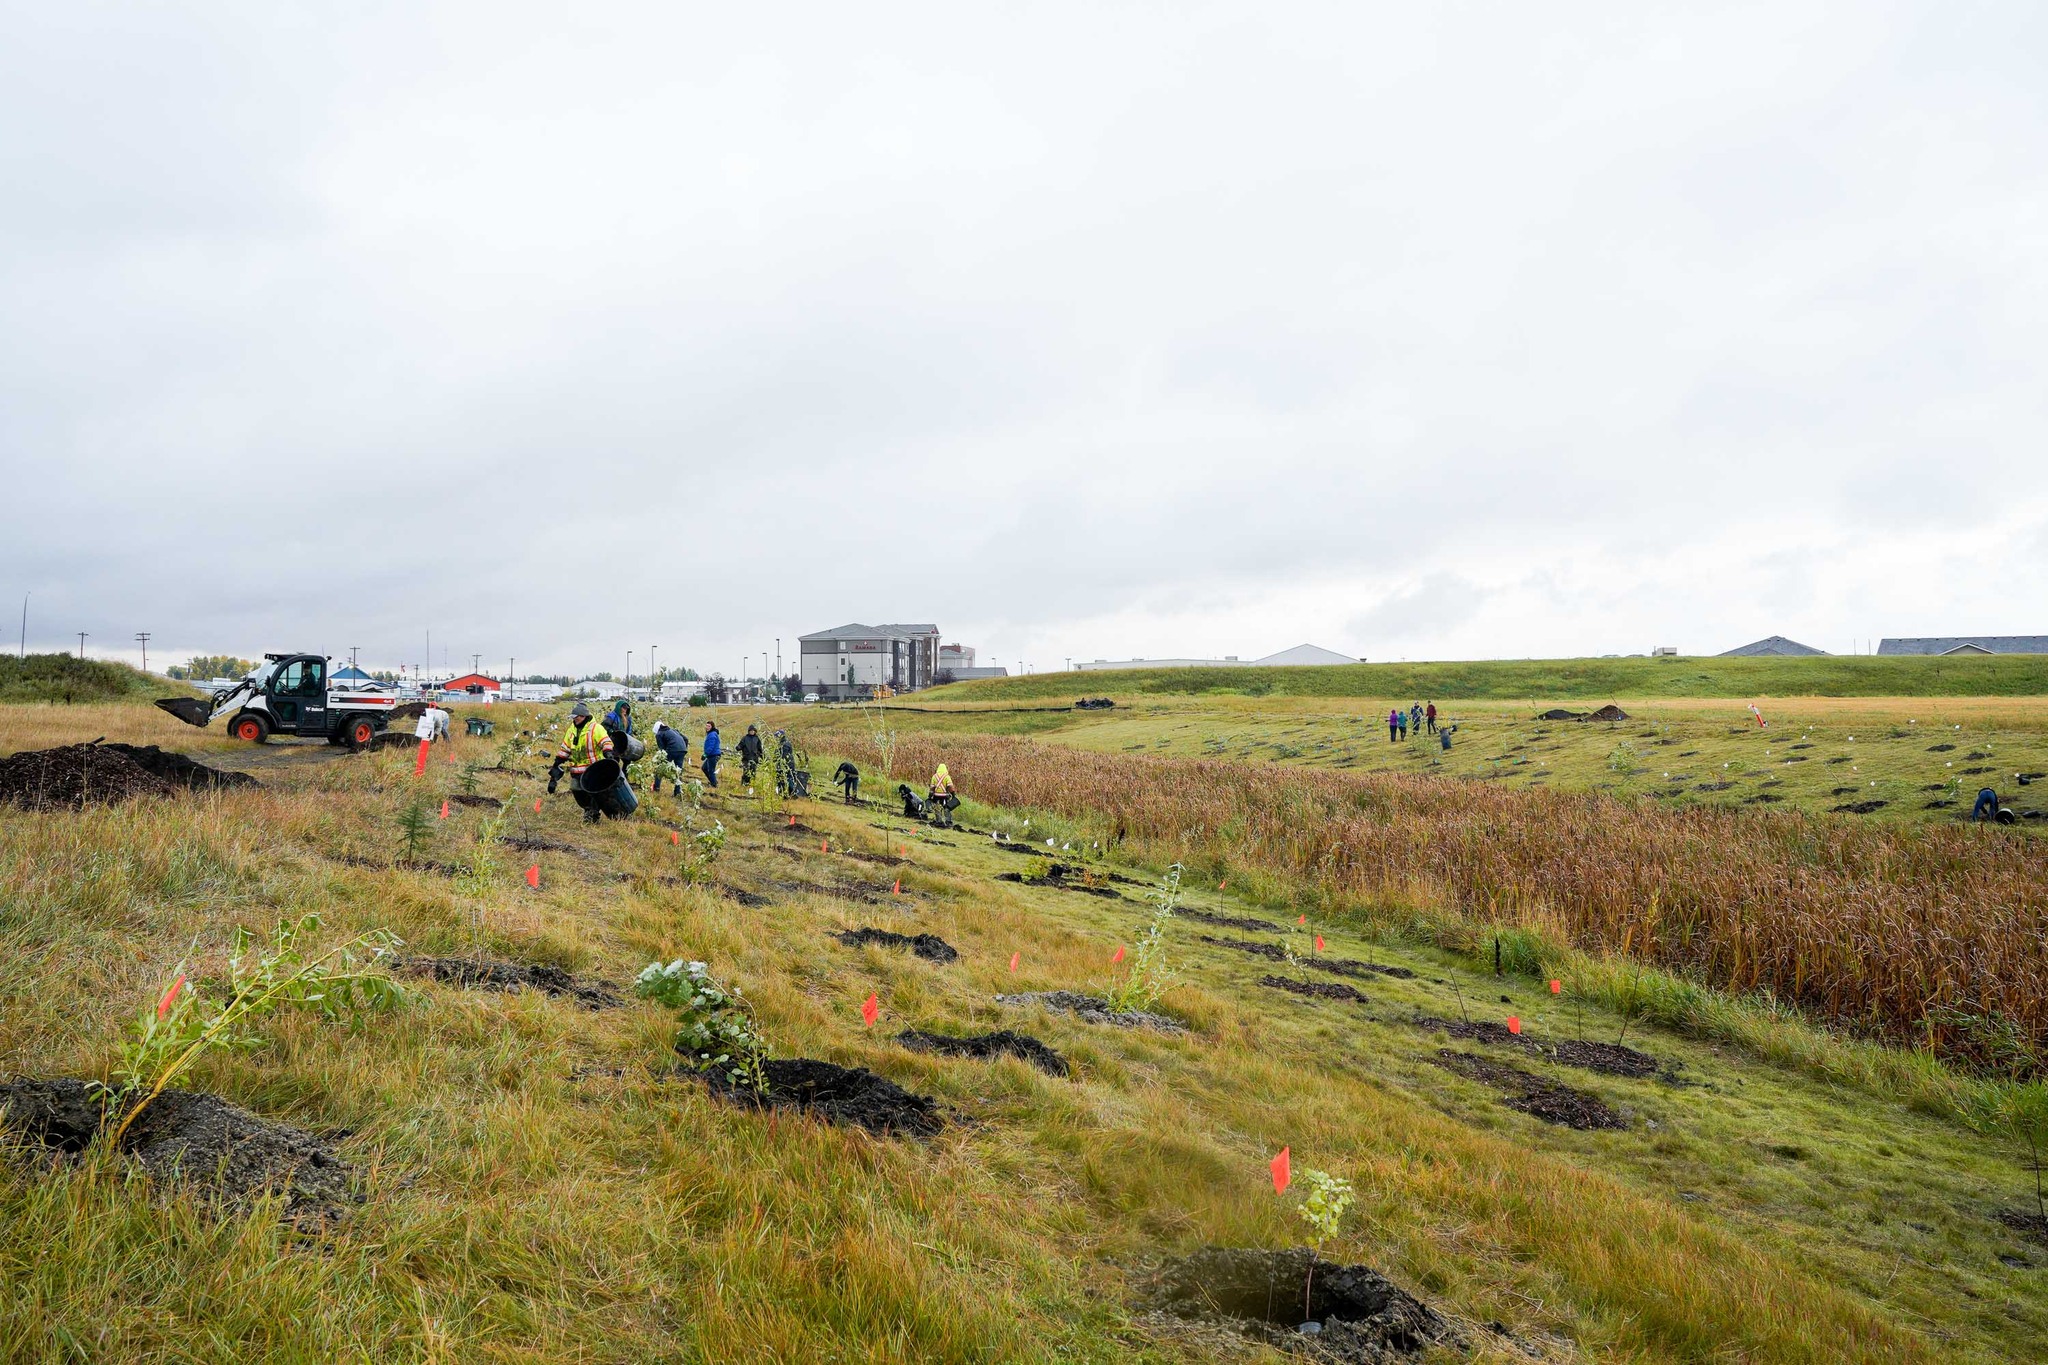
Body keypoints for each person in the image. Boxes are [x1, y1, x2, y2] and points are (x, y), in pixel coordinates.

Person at [554, 702, 616, 822]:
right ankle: (588, 810)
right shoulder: (571, 730)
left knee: (594, 793)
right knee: (577, 790)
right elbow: (566, 748)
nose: (574, 720)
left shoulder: (596, 728)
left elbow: (606, 742)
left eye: (576, 717)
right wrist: (557, 762)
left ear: (583, 716)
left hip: (593, 769)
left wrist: (608, 752)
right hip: (576, 769)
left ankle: (593, 814)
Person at [651, 721, 690, 793]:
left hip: (672, 750)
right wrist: (683, 748)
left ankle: (656, 789)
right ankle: (677, 791)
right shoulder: (674, 730)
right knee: (678, 770)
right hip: (682, 750)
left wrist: (661, 758)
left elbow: (662, 749)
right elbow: (686, 739)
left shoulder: (659, 734)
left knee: (660, 768)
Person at [701, 721, 722, 788]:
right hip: (712, 755)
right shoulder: (711, 734)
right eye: (706, 726)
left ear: (712, 727)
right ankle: (713, 782)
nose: (707, 727)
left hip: (713, 755)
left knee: (711, 771)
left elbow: (711, 746)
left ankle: (714, 785)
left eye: (709, 726)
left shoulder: (712, 735)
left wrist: (705, 754)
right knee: (704, 768)